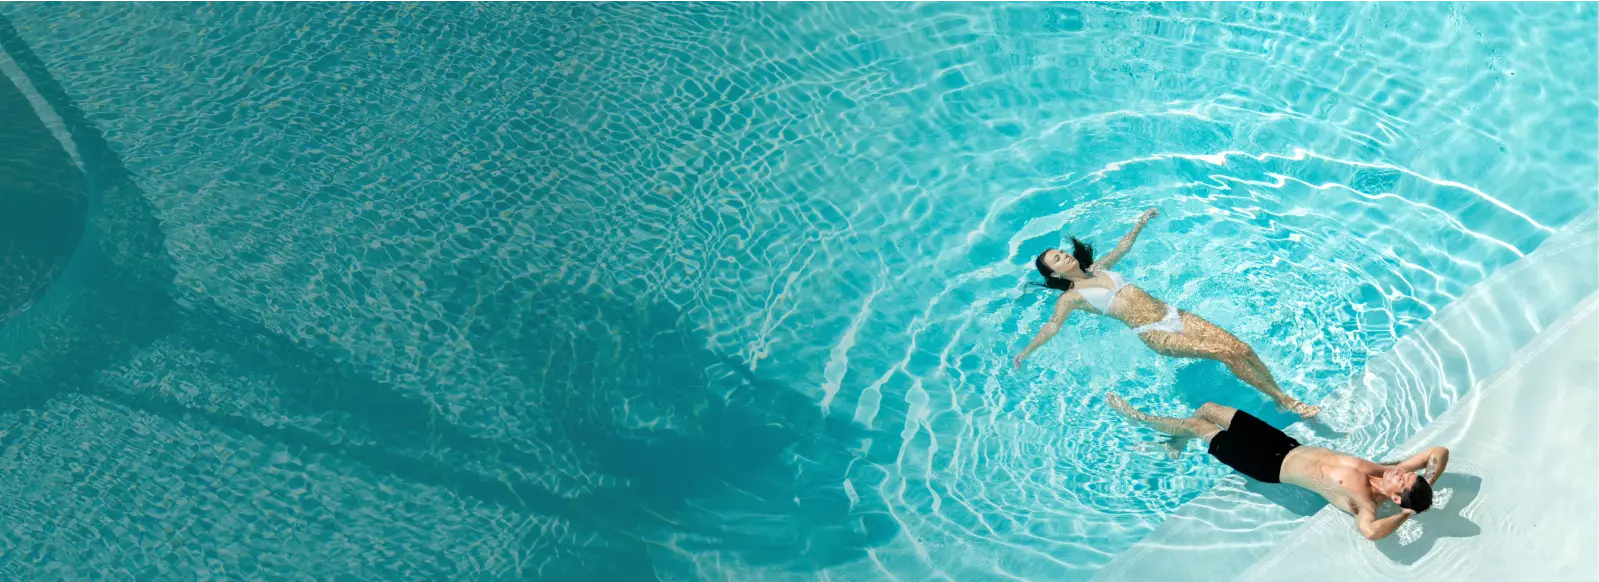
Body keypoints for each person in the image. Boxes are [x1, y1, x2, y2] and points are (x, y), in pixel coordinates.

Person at [1014, 208, 1319, 418]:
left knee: (1241, 348)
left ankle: (1279, 396)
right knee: (1224, 354)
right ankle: (1286, 401)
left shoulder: (1099, 268)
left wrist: (1140, 223)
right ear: (1054, 275)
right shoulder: (1071, 298)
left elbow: (1124, 247)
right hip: (1153, 333)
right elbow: (1052, 327)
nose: (1064, 255)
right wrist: (1026, 351)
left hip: (1175, 313)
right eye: (1057, 258)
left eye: (1062, 252)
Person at [1106, 393, 1449, 541]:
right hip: (1283, 444)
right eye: (1408, 473)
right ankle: (1175, 443)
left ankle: (1139, 418)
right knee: (1210, 409)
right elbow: (1438, 450)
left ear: (1398, 499)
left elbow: (1371, 532)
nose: (1402, 472)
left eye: (1403, 482)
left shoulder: (1364, 503)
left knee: (1198, 427)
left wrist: (1408, 514)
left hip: (1264, 465)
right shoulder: (1387, 469)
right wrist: (1429, 482)